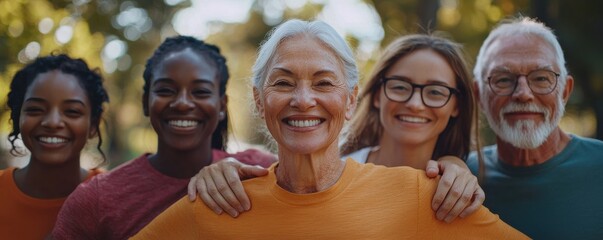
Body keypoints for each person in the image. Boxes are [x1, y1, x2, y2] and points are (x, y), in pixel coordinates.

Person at [133, 19, 527, 239]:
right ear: (258, 99)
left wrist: (453, 163)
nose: (303, 100)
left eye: (323, 83)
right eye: (283, 82)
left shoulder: (421, 195)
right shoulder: (217, 203)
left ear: (351, 98)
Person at [189, 34, 485, 223]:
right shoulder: (329, 171)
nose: (415, 103)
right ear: (376, 94)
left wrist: (455, 165)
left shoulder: (465, 181)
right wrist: (219, 167)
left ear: (457, 104)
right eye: (400, 87)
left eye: (435, 91)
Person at [51, 36, 275, 240]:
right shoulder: (98, 198)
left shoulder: (259, 170)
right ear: (145, 102)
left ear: (222, 107)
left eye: (200, 92)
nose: (183, 103)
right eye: (166, 90)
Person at [466, 16, 603, 239]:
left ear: (565, 91)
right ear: (479, 95)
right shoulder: (460, 181)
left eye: (541, 78)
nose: (523, 94)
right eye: (503, 80)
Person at [0, 54, 108, 239]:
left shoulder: (112, 198)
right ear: (18, 119)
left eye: (72, 111)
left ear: (93, 125)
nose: (52, 122)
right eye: (35, 109)